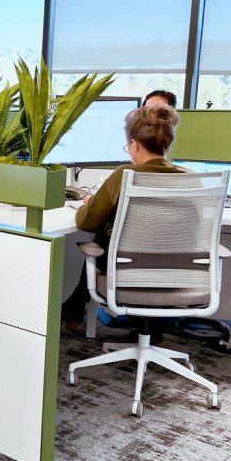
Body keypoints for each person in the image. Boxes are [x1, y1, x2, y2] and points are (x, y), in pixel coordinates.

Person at [62, 105, 188, 332]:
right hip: (173, 279)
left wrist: (87, 203)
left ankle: (72, 313)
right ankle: (150, 332)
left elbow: (86, 223)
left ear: (134, 144)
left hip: (125, 277)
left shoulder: (125, 175)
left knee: (102, 235)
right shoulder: (190, 179)